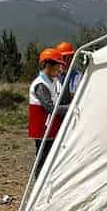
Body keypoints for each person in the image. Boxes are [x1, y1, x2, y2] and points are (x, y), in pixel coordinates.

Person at [28, 48, 69, 177]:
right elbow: (50, 108)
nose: (60, 70)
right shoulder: (40, 85)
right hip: (42, 129)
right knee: (43, 158)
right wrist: (70, 108)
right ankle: (39, 185)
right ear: (47, 65)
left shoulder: (54, 81)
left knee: (52, 158)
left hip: (51, 128)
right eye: (57, 66)